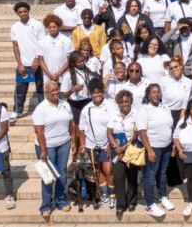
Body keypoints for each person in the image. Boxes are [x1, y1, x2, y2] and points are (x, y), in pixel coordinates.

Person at [32, 81, 74, 219]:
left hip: (63, 143)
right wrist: (43, 150)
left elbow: (71, 124)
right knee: (48, 176)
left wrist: (73, 140)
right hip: (47, 146)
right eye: (52, 90)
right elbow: (39, 132)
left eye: (57, 89)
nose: (55, 92)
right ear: (46, 93)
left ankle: (61, 200)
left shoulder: (65, 104)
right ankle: (46, 205)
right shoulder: (41, 108)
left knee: (62, 173)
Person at [75, 80, 115, 210]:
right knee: (97, 171)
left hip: (106, 144)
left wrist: (112, 142)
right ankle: (105, 195)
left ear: (103, 91)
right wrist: (82, 146)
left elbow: (116, 125)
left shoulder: (111, 105)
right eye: (94, 92)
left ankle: (112, 195)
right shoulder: (87, 108)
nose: (97, 94)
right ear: (91, 93)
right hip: (91, 145)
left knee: (108, 171)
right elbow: (81, 129)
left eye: (99, 91)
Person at [137, 83, 175, 218]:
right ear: (148, 94)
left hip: (166, 146)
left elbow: (170, 127)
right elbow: (142, 132)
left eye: (158, 92)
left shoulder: (165, 107)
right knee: (150, 176)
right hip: (153, 148)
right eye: (153, 92)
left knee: (163, 174)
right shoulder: (144, 109)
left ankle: (163, 197)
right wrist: (150, 150)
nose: (156, 94)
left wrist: (172, 143)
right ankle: (150, 205)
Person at [106, 90, 140, 218]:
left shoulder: (136, 114)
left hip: (132, 150)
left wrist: (123, 148)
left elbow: (136, 134)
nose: (124, 104)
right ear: (118, 103)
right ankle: (120, 205)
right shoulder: (114, 114)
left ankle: (132, 201)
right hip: (117, 151)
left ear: (131, 101)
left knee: (132, 177)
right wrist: (116, 147)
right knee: (119, 177)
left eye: (127, 101)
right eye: (122, 102)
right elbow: (109, 133)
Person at [11, 1, 45, 118]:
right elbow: (15, 46)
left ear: (28, 11)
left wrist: (36, 59)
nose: (23, 14)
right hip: (23, 64)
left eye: (25, 11)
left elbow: (42, 44)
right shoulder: (15, 27)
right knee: (20, 89)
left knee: (40, 88)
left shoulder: (37, 24)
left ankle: (42, 111)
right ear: (17, 13)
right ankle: (17, 110)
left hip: (38, 63)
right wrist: (19, 64)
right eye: (20, 12)